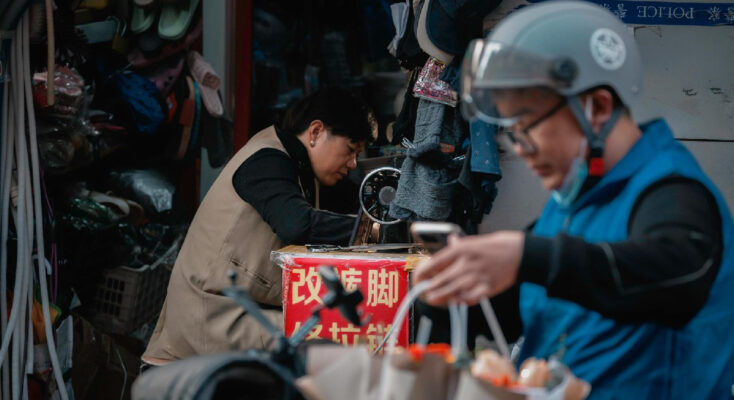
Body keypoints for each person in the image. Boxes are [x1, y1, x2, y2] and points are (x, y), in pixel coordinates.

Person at [413, 2, 734, 398]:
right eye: (510, 131)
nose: (521, 147)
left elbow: (672, 273)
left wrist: (525, 254)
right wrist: (444, 298)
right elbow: (511, 313)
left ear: (596, 106)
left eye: (528, 124)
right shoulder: (567, 210)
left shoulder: (674, 193)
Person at [142, 88, 376, 365]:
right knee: (337, 340)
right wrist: (373, 231)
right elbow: (297, 224)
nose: (352, 164)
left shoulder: (299, 166)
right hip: (212, 315)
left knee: (341, 332)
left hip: (241, 308)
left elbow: (347, 202)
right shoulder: (266, 159)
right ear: (315, 132)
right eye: (351, 150)